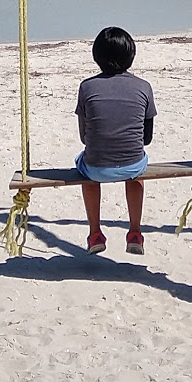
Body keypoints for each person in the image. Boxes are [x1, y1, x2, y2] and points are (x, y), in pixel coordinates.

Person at [74, 26, 156, 255]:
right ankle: (135, 233)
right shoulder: (144, 87)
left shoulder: (87, 86)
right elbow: (146, 139)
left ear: (96, 57)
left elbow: (84, 137)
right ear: (131, 55)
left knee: (86, 170)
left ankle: (95, 233)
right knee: (137, 173)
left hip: (96, 167)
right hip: (132, 164)